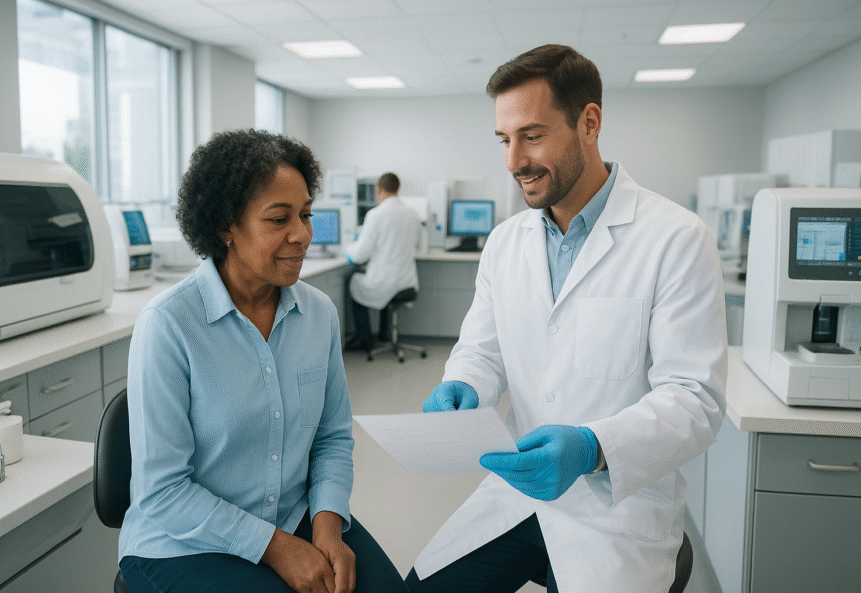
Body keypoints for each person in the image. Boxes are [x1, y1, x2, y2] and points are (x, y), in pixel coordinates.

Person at [406, 45, 728, 593]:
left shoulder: (675, 238)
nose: (513, 162)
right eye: (505, 141)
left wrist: (592, 446)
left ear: (589, 123)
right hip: (517, 492)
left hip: (617, 506)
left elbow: (695, 398)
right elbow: (482, 349)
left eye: (531, 136)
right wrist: (463, 383)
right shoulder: (506, 243)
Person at [118, 129, 409, 593]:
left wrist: (328, 530)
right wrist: (276, 548)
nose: (303, 234)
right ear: (225, 227)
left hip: (293, 517)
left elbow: (332, 438)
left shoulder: (318, 315)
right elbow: (162, 492)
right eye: (279, 219)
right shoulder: (169, 325)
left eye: (306, 215)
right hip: (185, 542)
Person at [345, 172, 421, 352]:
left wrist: (348, 248)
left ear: (378, 190)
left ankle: (364, 340)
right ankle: (383, 334)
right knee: (382, 288)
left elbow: (359, 256)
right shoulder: (413, 214)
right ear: (397, 189)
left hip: (385, 281)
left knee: (353, 282)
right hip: (407, 281)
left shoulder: (375, 215)